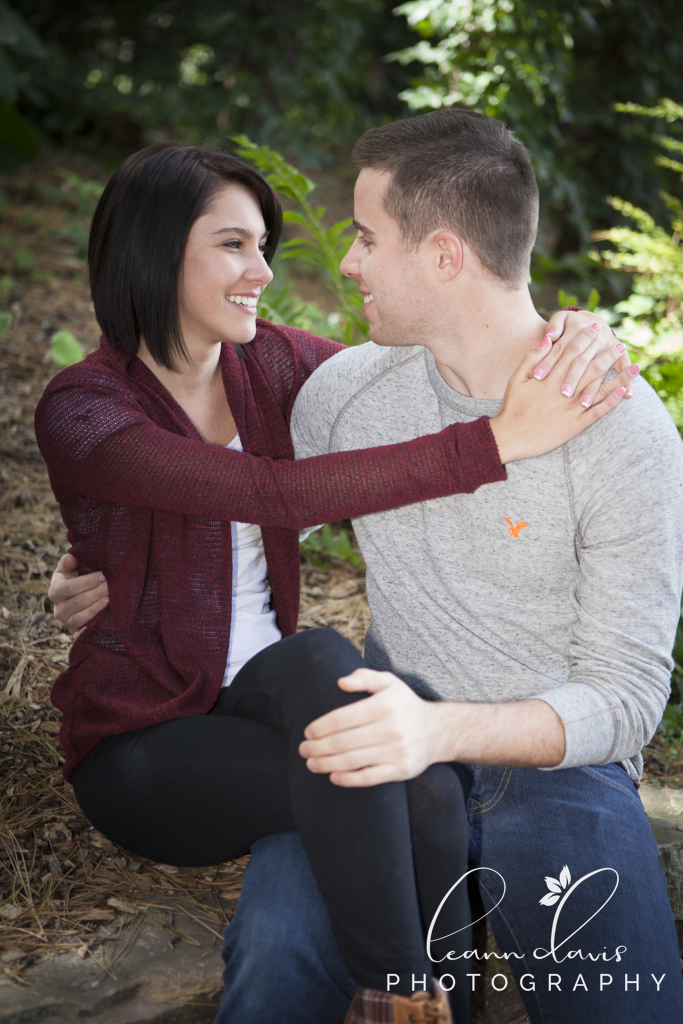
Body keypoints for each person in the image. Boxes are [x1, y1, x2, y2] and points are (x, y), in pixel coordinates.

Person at [44, 137, 638, 1024]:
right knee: (390, 773)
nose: (263, 272)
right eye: (234, 245)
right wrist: (498, 446)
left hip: (265, 696)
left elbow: (441, 356)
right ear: (156, 249)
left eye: (264, 247)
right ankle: (400, 988)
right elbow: (270, 496)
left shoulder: (272, 366)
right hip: (147, 740)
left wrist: (571, 337)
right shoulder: (87, 408)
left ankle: (423, 1004)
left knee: (381, 720)